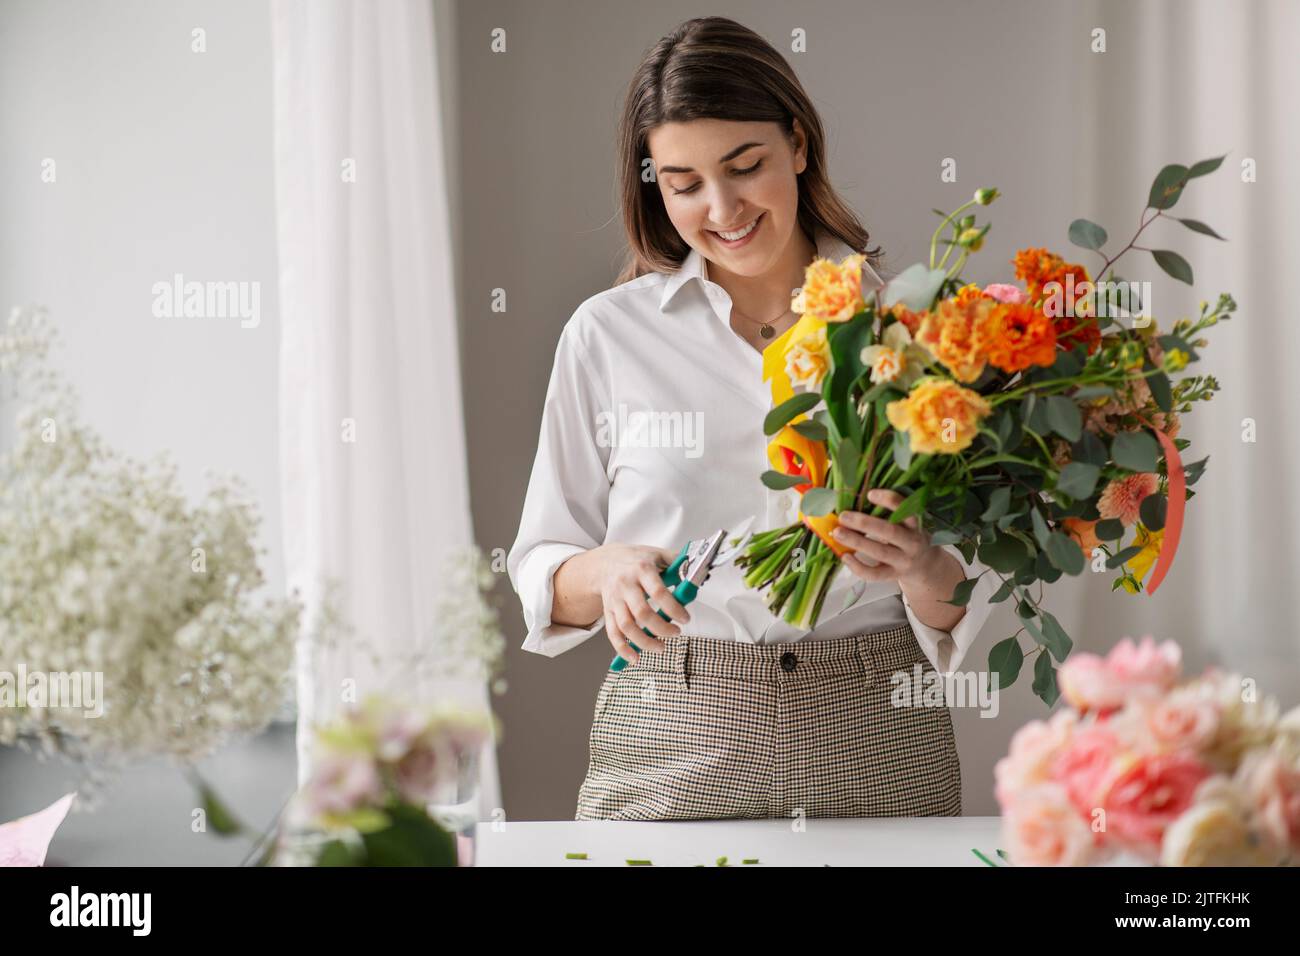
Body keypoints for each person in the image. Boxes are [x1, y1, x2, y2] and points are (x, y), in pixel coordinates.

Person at [506, 16, 998, 821]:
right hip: (670, 734)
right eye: (683, 182)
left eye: (745, 166)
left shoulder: (915, 331)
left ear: (798, 145)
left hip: (877, 732)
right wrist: (610, 572)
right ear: (653, 184)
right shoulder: (608, 334)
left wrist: (915, 565)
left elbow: (963, 602)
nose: (722, 207)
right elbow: (542, 572)